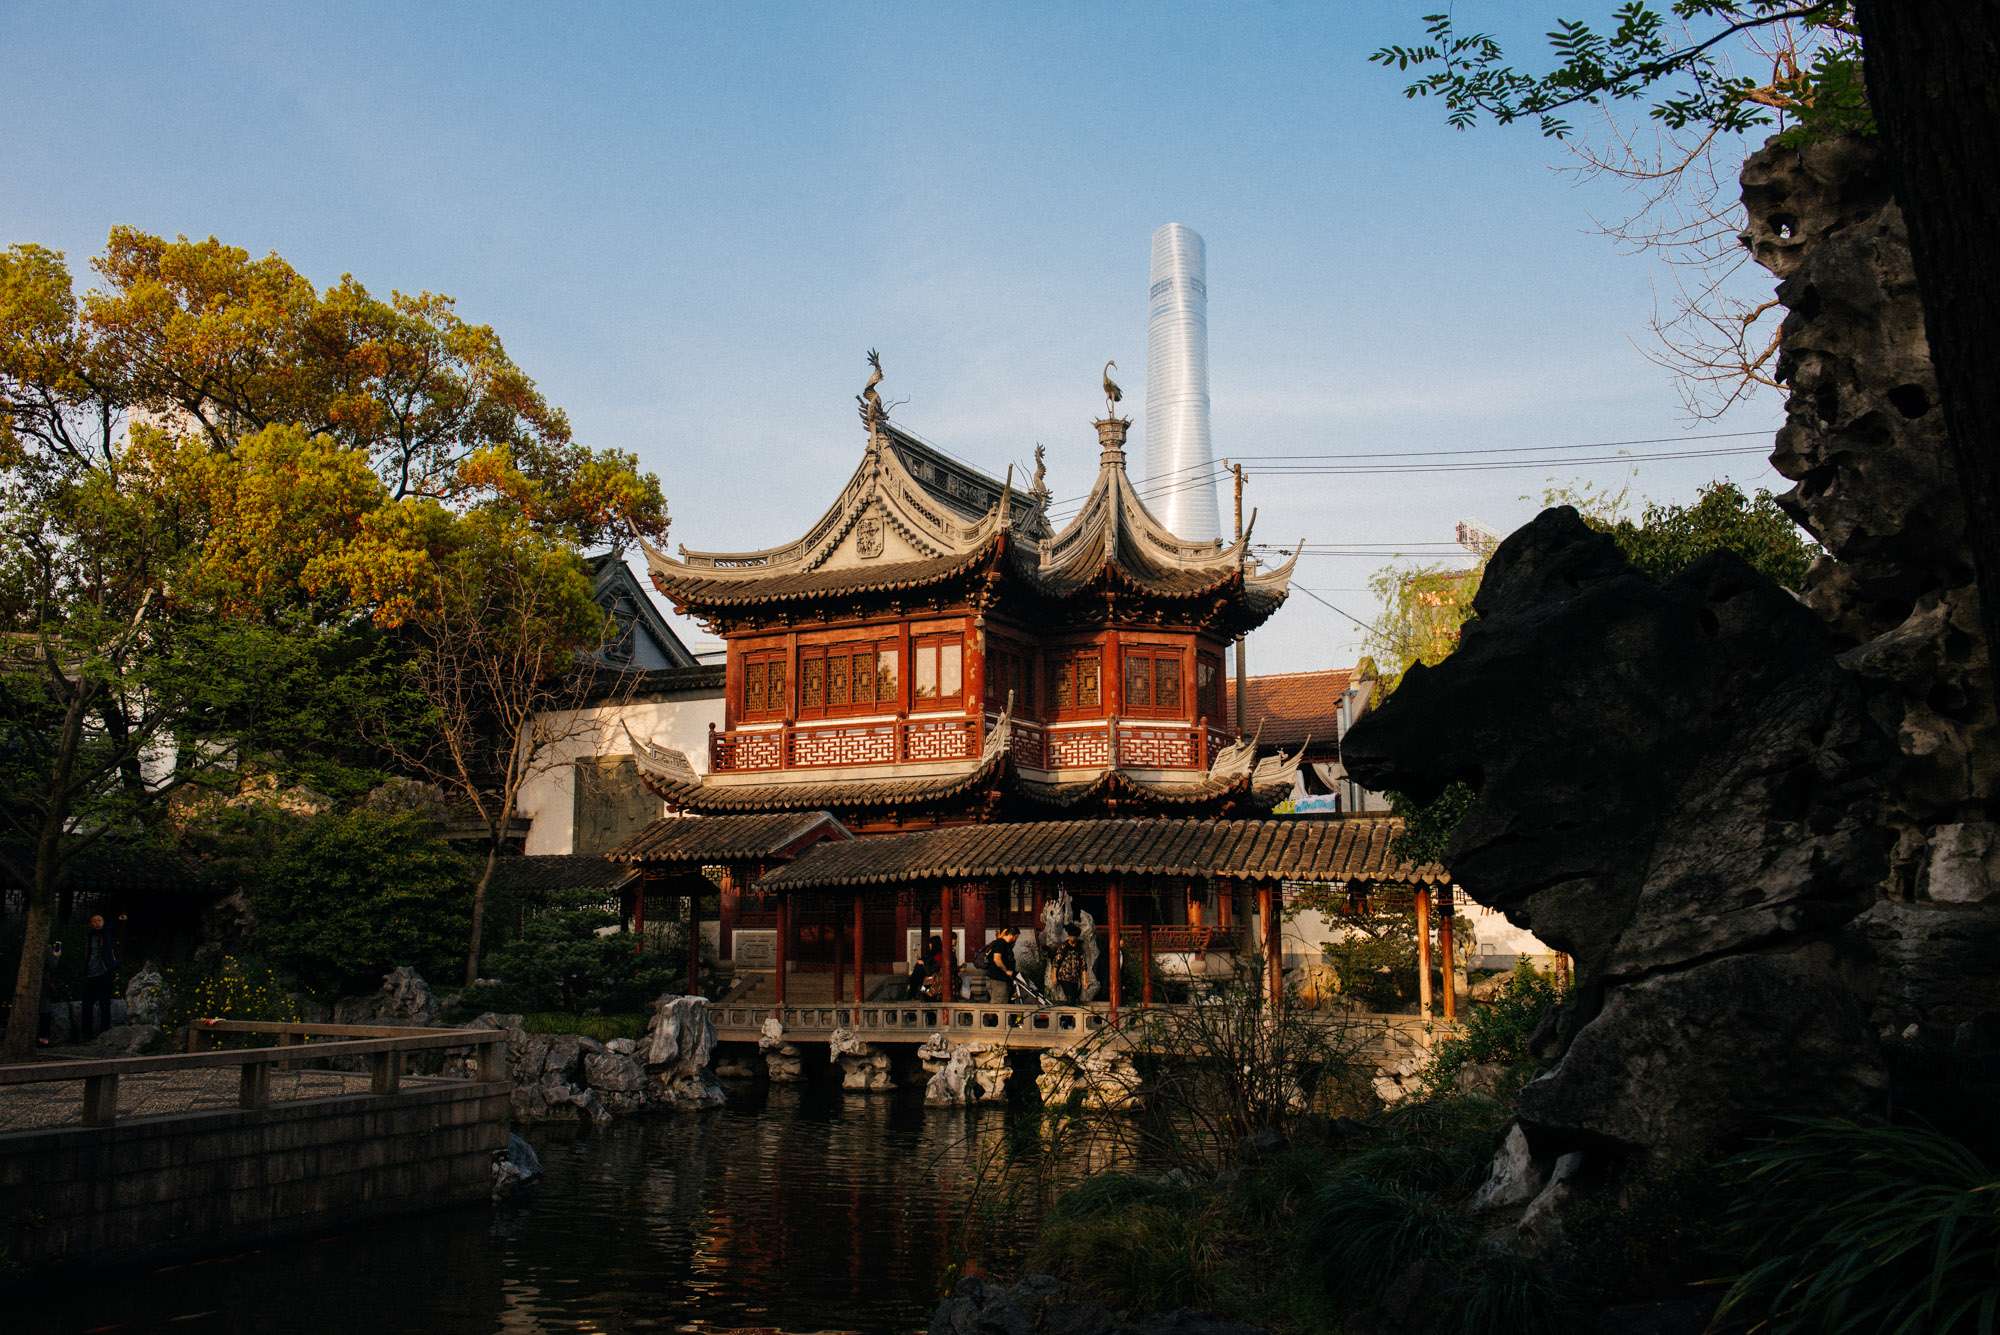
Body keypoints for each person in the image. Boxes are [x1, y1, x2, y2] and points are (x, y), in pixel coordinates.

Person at [80, 912, 123, 1040]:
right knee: (87, 1004)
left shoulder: (107, 934)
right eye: (94, 921)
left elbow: (111, 927)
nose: (97, 923)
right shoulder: (89, 936)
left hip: (104, 973)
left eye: (100, 920)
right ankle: (86, 1033)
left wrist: (113, 966)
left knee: (105, 1003)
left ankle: (104, 1031)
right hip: (90, 974)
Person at [981, 926, 1021, 1001]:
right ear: (1014, 936)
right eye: (1017, 937)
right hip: (998, 980)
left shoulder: (1003, 944)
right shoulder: (1000, 943)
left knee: (1001, 1003)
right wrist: (1006, 971)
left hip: (1000, 979)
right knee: (999, 1004)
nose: (1016, 939)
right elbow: (997, 959)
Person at [1050, 924, 1085, 1004]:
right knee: (1070, 997)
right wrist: (1054, 976)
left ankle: (1067, 1016)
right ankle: (1066, 1015)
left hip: (1075, 978)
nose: (1072, 938)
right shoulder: (1063, 947)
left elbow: (1083, 964)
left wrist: (1084, 979)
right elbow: (1056, 962)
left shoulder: (1079, 948)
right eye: (1071, 936)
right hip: (1064, 976)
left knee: (1075, 998)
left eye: (1074, 936)